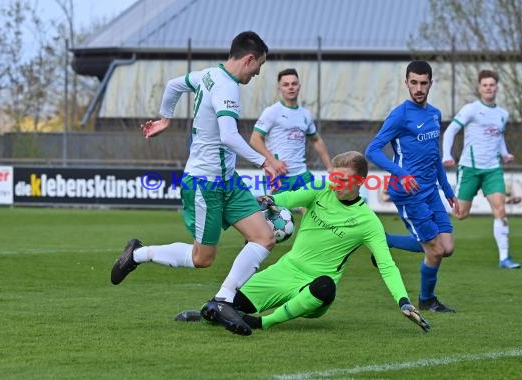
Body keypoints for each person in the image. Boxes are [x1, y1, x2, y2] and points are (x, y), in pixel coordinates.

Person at [110, 31, 280, 336]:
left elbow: (175, 85)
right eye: (259, 66)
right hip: (205, 183)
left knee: (264, 237)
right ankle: (136, 254)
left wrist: (165, 117)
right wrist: (264, 162)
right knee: (203, 259)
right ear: (249, 58)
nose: (258, 73)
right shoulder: (227, 87)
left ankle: (224, 300)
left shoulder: (209, 75)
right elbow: (228, 136)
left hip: (228, 180)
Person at [180, 151, 430, 334]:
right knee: (224, 304)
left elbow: (387, 265)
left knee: (326, 286)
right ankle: (202, 315)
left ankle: (263, 322)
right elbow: (289, 197)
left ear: (359, 182)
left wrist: (403, 300)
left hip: (313, 288)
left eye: (342, 180)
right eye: (334, 178)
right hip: (285, 270)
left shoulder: (369, 222)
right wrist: (270, 199)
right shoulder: (321, 190)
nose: (335, 184)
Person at [365, 60, 459, 313]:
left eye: (423, 83)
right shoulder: (400, 114)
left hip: (431, 191)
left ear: (431, 83)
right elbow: (372, 150)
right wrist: (401, 173)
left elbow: (435, 156)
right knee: (435, 250)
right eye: (414, 83)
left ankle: (385, 241)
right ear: (406, 82)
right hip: (408, 193)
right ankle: (427, 300)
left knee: (446, 247)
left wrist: (448, 191)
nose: (418, 88)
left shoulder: (435, 114)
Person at [442, 69, 520, 269]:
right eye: (485, 85)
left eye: (492, 85)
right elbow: (451, 130)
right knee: (460, 214)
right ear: (479, 88)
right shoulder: (471, 109)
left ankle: (504, 258)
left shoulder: (503, 114)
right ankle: (435, 211)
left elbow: (498, 136)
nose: (488, 88)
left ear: (496, 88)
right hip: (470, 168)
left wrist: (505, 153)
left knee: (500, 210)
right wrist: (447, 155)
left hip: (493, 169)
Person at [250, 68, 332, 194]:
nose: (290, 87)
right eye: (286, 84)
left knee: (314, 210)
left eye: (294, 84)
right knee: (278, 213)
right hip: (277, 176)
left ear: (299, 86)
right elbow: (255, 139)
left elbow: (316, 140)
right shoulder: (272, 112)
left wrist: (329, 166)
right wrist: (273, 161)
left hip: (301, 174)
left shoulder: (306, 115)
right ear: (279, 88)